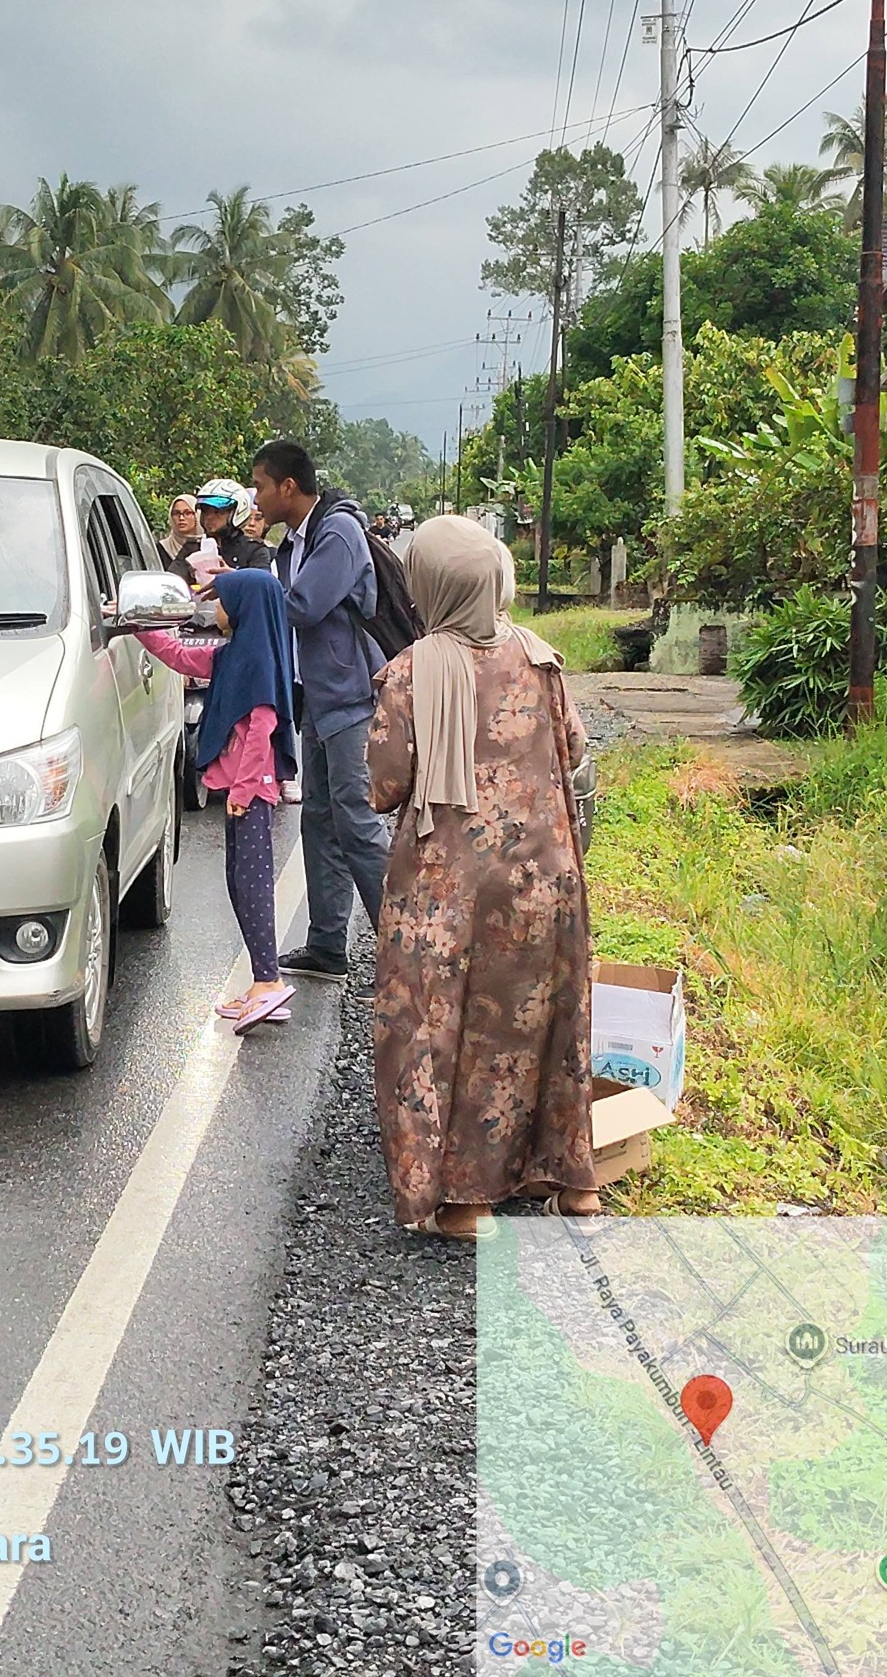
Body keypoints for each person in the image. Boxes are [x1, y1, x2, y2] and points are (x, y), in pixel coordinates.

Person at [365, 515, 599, 1241]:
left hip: (447, 886)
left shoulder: (411, 669)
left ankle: (467, 1205)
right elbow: (574, 749)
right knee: (539, 1023)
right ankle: (570, 1186)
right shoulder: (542, 657)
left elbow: (384, 785)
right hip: (544, 876)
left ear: (428, 584)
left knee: (437, 1031)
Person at [250, 439, 392, 982]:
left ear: (288, 486)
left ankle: (400, 947)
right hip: (317, 698)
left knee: (356, 823)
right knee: (319, 821)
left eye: (261, 485)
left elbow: (303, 606)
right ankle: (328, 945)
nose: (256, 497)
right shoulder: (296, 539)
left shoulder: (339, 533)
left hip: (351, 696)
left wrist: (241, 594)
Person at [135, 569, 298, 1033]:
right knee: (239, 880)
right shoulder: (236, 656)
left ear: (244, 607)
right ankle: (262, 980)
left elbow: (261, 730)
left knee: (252, 884)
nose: (216, 610)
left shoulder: (258, 665)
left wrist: (244, 792)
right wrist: (137, 624)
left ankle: (268, 980)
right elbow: (182, 656)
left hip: (251, 794)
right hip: (239, 793)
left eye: (223, 602)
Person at [194, 479, 273, 571]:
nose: (209, 517)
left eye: (218, 511)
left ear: (237, 511)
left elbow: (262, 582)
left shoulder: (254, 550)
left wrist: (233, 576)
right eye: (205, 511)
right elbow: (174, 577)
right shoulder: (193, 547)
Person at [159, 493, 201, 572]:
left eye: (187, 513)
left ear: (197, 515)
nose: (181, 518)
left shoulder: (207, 545)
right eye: (176, 513)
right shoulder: (161, 549)